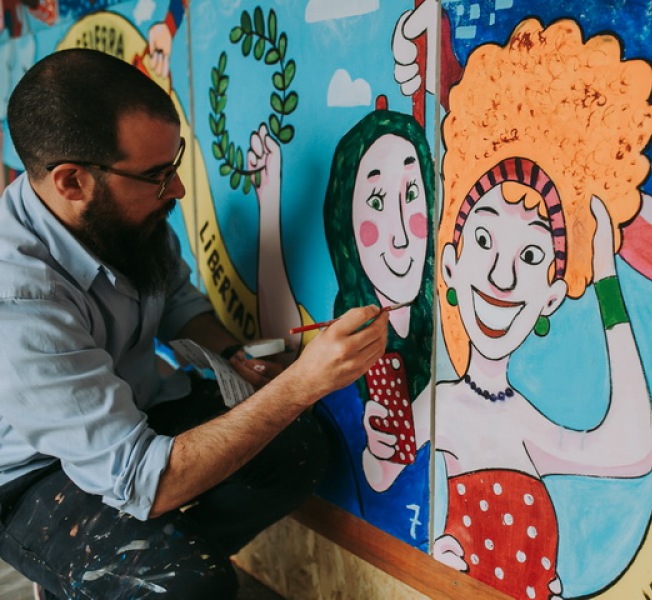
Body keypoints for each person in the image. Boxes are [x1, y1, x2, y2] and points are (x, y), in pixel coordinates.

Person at [0, 47, 388, 599]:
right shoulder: (18, 302)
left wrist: (231, 354)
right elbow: (146, 479)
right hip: (34, 476)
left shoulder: (121, 211)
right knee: (186, 585)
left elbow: (176, 300)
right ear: (71, 182)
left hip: (135, 413)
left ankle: (123, 575)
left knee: (297, 447)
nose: (177, 189)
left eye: (174, 164)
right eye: (157, 176)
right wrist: (303, 383)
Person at [364, 19, 652, 600]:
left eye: (529, 255)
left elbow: (634, 449)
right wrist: (381, 443)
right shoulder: (446, 406)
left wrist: (606, 282)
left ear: (551, 295)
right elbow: (380, 473)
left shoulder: (525, 421)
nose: (502, 277)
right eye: (483, 240)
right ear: (450, 265)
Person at [317, 108, 435, 546]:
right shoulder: (341, 351)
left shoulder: (452, 330)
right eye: (378, 202)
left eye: (412, 194)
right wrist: (375, 454)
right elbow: (376, 477)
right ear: (345, 222)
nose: (401, 236)